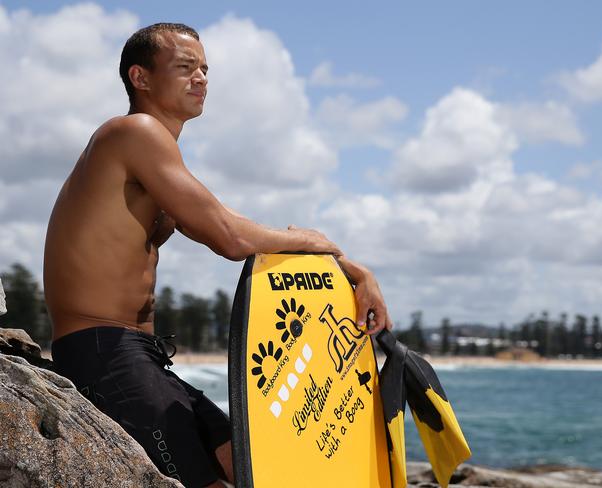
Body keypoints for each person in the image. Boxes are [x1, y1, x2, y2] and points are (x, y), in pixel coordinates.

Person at [43, 23, 392, 488]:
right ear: (140, 78)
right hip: (103, 353)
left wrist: (350, 269)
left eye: (205, 69)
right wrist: (313, 242)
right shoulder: (134, 133)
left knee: (245, 464)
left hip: (135, 357)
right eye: (185, 68)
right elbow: (229, 237)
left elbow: (217, 223)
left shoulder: (154, 155)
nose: (202, 78)